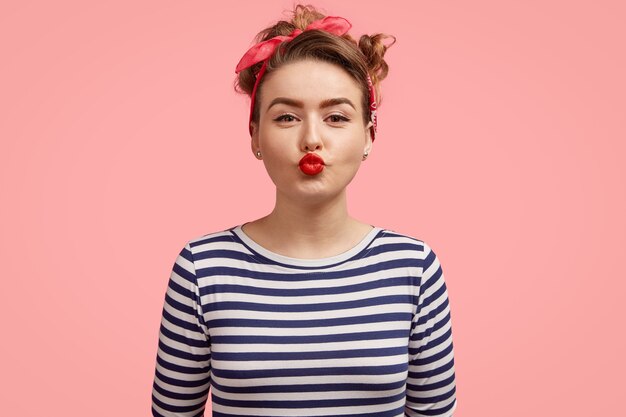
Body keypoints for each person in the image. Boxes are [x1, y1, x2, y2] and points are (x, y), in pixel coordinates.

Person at [151, 4, 457, 417]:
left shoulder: (413, 267)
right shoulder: (202, 268)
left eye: (335, 116)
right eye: (287, 117)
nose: (311, 138)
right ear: (255, 135)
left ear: (368, 136)